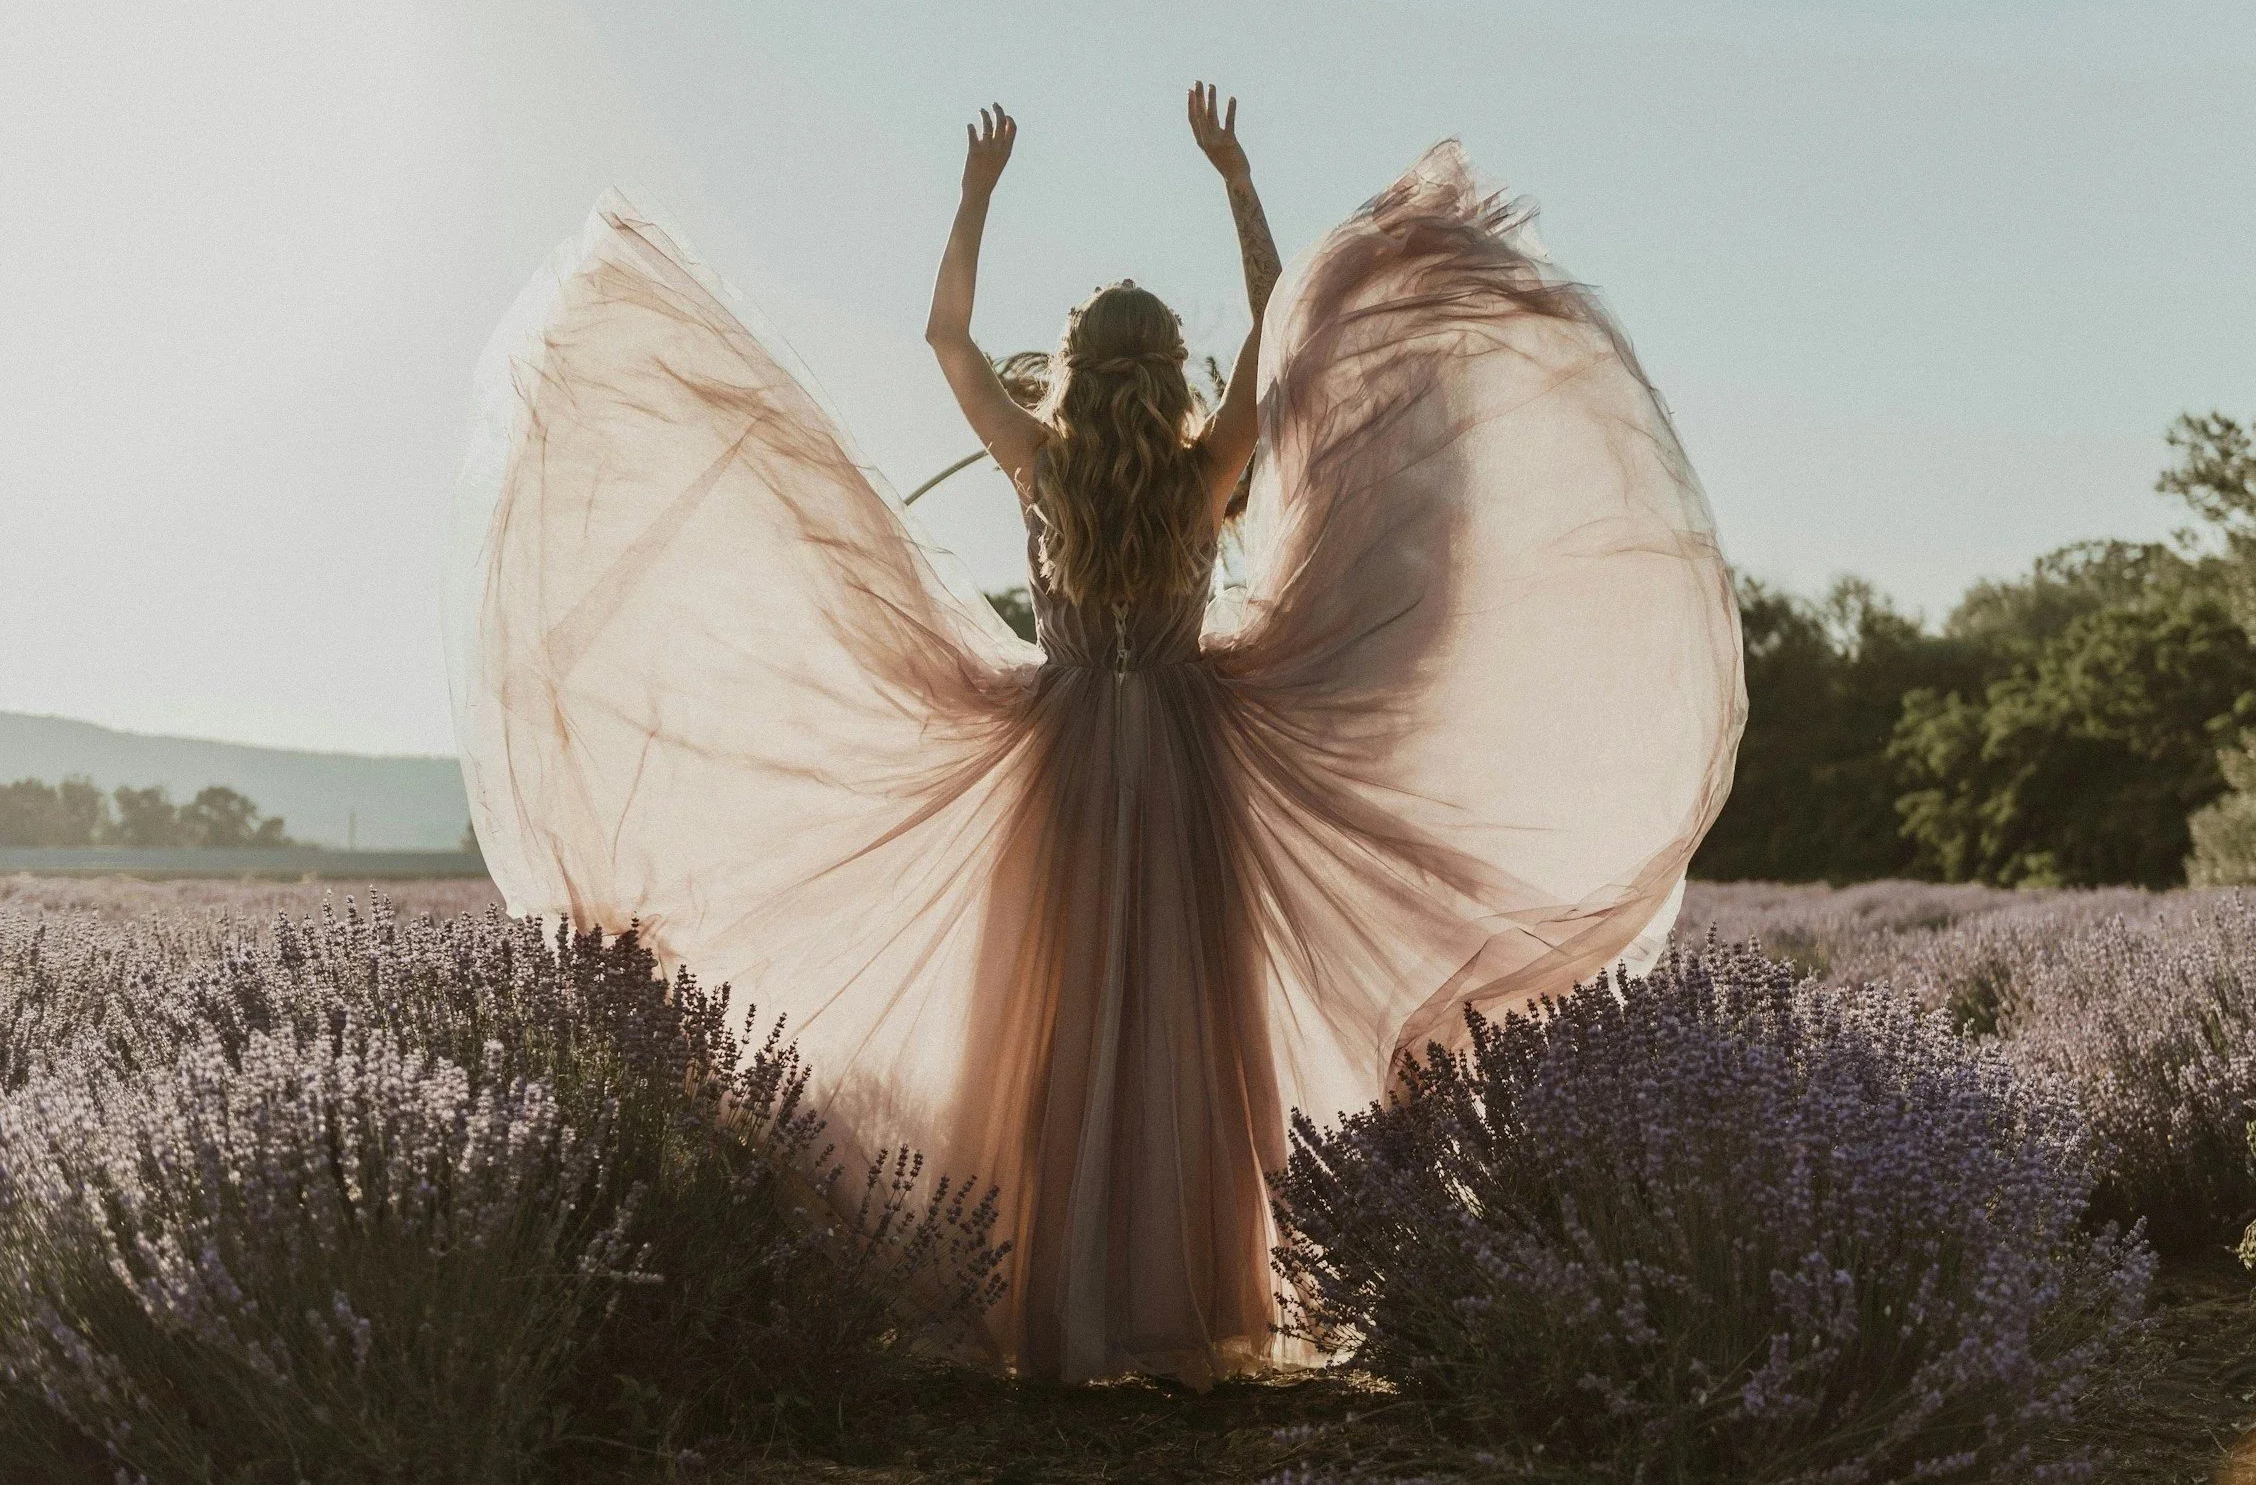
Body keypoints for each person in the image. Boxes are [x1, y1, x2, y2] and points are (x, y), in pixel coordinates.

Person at [448, 84, 1745, 1390]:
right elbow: (1279, 337)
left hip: (1061, 769)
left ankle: (1057, 1310)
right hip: (1188, 769)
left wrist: (977, 195)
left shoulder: (1043, 467)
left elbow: (946, 336)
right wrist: (1238, 180)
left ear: (1072, 373)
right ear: (1166, 372)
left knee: (1060, 1021)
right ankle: (1197, 1307)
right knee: (1193, 1024)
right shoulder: (1201, 473)